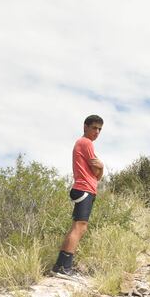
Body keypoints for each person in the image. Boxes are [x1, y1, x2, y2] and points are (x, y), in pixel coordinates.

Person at [52, 115, 105, 280]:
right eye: (94, 128)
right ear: (85, 127)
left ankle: (60, 266)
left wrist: (101, 167)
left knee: (78, 227)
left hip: (85, 189)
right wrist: (100, 167)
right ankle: (63, 268)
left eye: (100, 129)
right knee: (79, 228)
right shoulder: (86, 143)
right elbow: (95, 171)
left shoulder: (83, 143)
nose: (97, 132)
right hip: (84, 189)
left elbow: (98, 176)